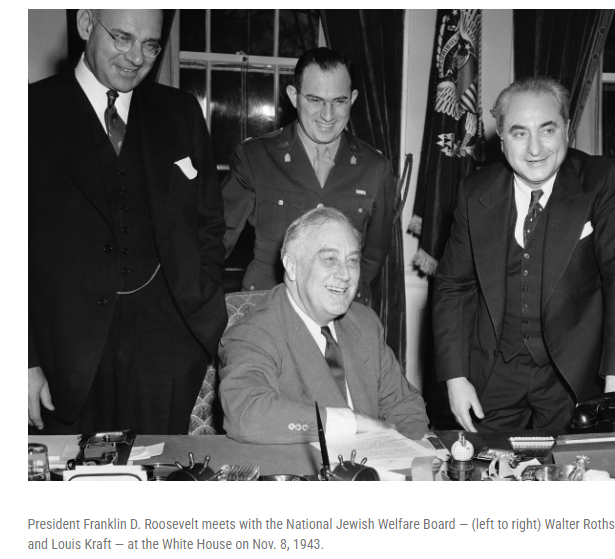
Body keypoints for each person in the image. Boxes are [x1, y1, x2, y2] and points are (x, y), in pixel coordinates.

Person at [28, 9, 227, 434]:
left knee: (157, 470)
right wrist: (22, 359)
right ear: (86, 24)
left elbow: (209, 224)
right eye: (122, 37)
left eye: (150, 46)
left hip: (167, 351)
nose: (136, 57)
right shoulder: (27, 112)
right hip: (62, 357)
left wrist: (196, 325)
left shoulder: (180, 112)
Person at [433, 76, 615, 433]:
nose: (535, 148)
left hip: (573, 375)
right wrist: (455, 378)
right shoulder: (474, 192)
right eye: (519, 133)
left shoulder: (602, 180)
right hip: (493, 372)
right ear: (501, 139)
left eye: (547, 130)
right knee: (485, 465)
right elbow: (453, 287)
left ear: (567, 129)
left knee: (574, 467)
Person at [219, 207, 428, 444]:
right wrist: (355, 424)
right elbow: (247, 415)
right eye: (329, 259)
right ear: (291, 266)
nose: (345, 275)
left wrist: (406, 456)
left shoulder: (365, 323)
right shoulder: (253, 334)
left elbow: (407, 408)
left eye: (352, 260)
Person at [222, 47, 395, 305]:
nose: (327, 115)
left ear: (353, 98)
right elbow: (214, 242)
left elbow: (373, 255)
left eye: (339, 101)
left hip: (337, 314)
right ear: (294, 96)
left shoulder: (375, 168)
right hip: (267, 310)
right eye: (315, 100)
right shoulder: (256, 158)